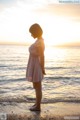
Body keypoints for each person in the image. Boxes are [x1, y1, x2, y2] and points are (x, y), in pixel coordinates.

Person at [26, 23, 46, 111]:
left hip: (37, 67)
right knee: (36, 86)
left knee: (38, 87)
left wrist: (42, 68)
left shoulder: (40, 42)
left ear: (36, 32)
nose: (31, 35)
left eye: (32, 33)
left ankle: (38, 107)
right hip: (34, 66)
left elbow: (42, 56)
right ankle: (37, 103)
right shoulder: (38, 40)